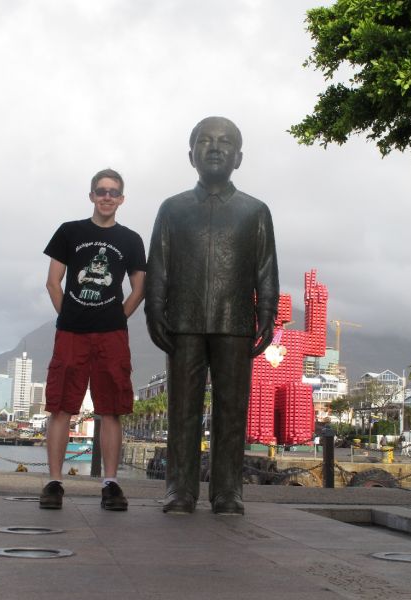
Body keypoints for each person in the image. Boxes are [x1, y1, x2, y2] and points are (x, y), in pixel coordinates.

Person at [146, 117, 279, 514]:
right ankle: (180, 489)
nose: (215, 147)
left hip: (234, 321)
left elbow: (266, 268)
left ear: (239, 157)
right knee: (182, 410)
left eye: (225, 142)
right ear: (191, 156)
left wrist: (267, 312)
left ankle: (227, 491)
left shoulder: (255, 211)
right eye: (205, 141)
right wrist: (155, 308)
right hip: (183, 321)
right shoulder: (172, 209)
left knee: (232, 410)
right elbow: (159, 266)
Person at [40, 168, 146, 510]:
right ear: (91, 196)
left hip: (111, 334)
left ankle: (111, 483)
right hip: (71, 332)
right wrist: (68, 314)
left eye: (113, 192)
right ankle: (54, 482)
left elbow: (139, 287)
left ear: (122, 199)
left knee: (112, 408)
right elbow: (53, 281)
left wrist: (117, 316)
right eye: (101, 191)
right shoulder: (69, 232)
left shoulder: (131, 239)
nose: (106, 196)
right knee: (60, 406)